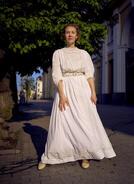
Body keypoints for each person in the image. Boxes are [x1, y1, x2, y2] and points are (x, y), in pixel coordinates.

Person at [38, 23, 116, 170]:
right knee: (61, 123)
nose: (70, 34)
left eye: (73, 32)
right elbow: (56, 75)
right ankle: (50, 156)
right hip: (65, 89)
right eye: (67, 32)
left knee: (83, 122)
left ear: (77, 36)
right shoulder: (58, 53)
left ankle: (85, 155)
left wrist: (93, 93)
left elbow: (89, 75)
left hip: (82, 90)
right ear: (64, 35)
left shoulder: (84, 54)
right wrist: (62, 95)